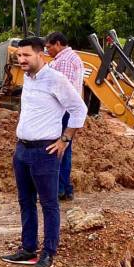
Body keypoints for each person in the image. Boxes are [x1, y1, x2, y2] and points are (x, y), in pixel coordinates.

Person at [1, 37, 87, 267]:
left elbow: (79, 109)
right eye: (19, 56)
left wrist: (65, 140)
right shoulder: (28, 78)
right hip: (22, 149)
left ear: (41, 55)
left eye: (26, 55)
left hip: (44, 151)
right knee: (25, 201)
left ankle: (49, 253)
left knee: (49, 204)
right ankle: (28, 249)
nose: (21, 60)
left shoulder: (55, 79)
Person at [45, 32, 84, 201]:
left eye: (49, 47)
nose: (47, 51)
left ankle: (59, 189)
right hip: (67, 111)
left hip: (62, 111)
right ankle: (65, 188)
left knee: (58, 148)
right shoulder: (70, 58)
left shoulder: (65, 61)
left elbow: (63, 90)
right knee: (64, 150)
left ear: (58, 43)